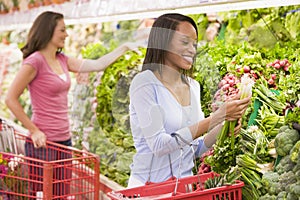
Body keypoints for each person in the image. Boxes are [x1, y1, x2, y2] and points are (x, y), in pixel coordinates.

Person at [5, 11, 140, 198]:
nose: (66, 34)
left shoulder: (62, 60)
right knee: (42, 195)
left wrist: (124, 47)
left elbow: (97, 64)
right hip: (43, 144)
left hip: (64, 142)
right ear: (48, 31)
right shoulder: (35, 61)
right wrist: (34, 130)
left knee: (61, 194)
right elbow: (10, 99)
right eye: (62, 30)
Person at [127, 13, 251, 188]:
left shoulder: (193, 86)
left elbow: (195, 149)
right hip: (149, 189)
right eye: (184, 42)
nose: (192, 49)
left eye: (194, 43)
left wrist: (224, 125)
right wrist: (216, 117)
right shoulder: (145, 84)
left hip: (184, 188)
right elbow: (160, 146)